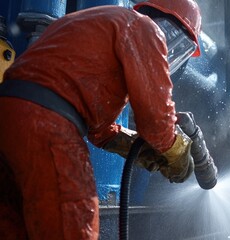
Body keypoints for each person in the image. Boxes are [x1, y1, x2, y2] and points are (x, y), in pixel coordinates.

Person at [0, 0, 203, 239]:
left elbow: (100, 131)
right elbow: (156, 120)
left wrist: (141, 149)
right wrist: (175, 149)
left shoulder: (104, 26)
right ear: (171, 26)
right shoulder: (145, 29)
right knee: (74, 224)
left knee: (15, 226)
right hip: (47, 124)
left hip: (10, 115)